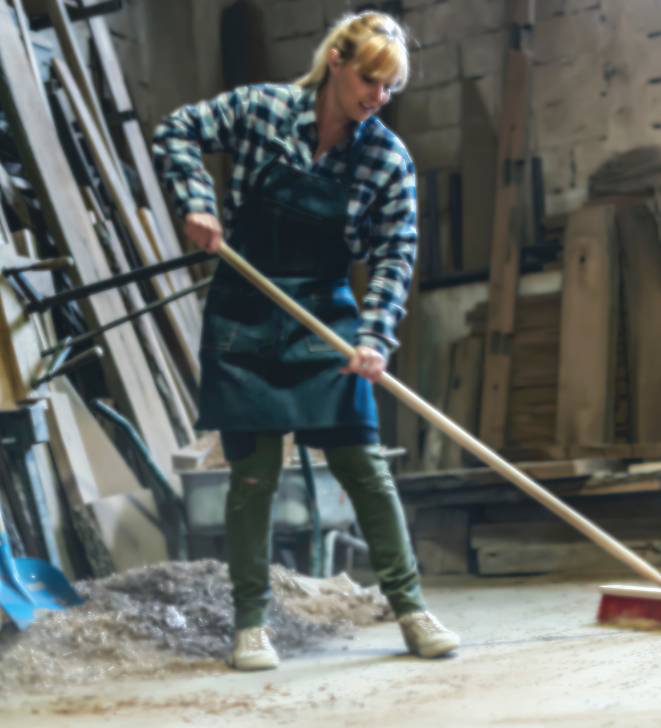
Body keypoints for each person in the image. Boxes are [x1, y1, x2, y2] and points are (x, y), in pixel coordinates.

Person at [152, 11, 459, 670]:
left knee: (365, 469)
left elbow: (395, 253)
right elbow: (177, 128)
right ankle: (250, 626)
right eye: (371, 79)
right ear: (338, 62)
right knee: (253, 476)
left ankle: (409, 609)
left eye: (390, 89)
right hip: (244, 312)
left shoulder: (384, 158)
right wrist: (194, 201)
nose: (378, 97)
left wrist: (375, 335)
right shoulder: (263, 109)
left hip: (324, 311)